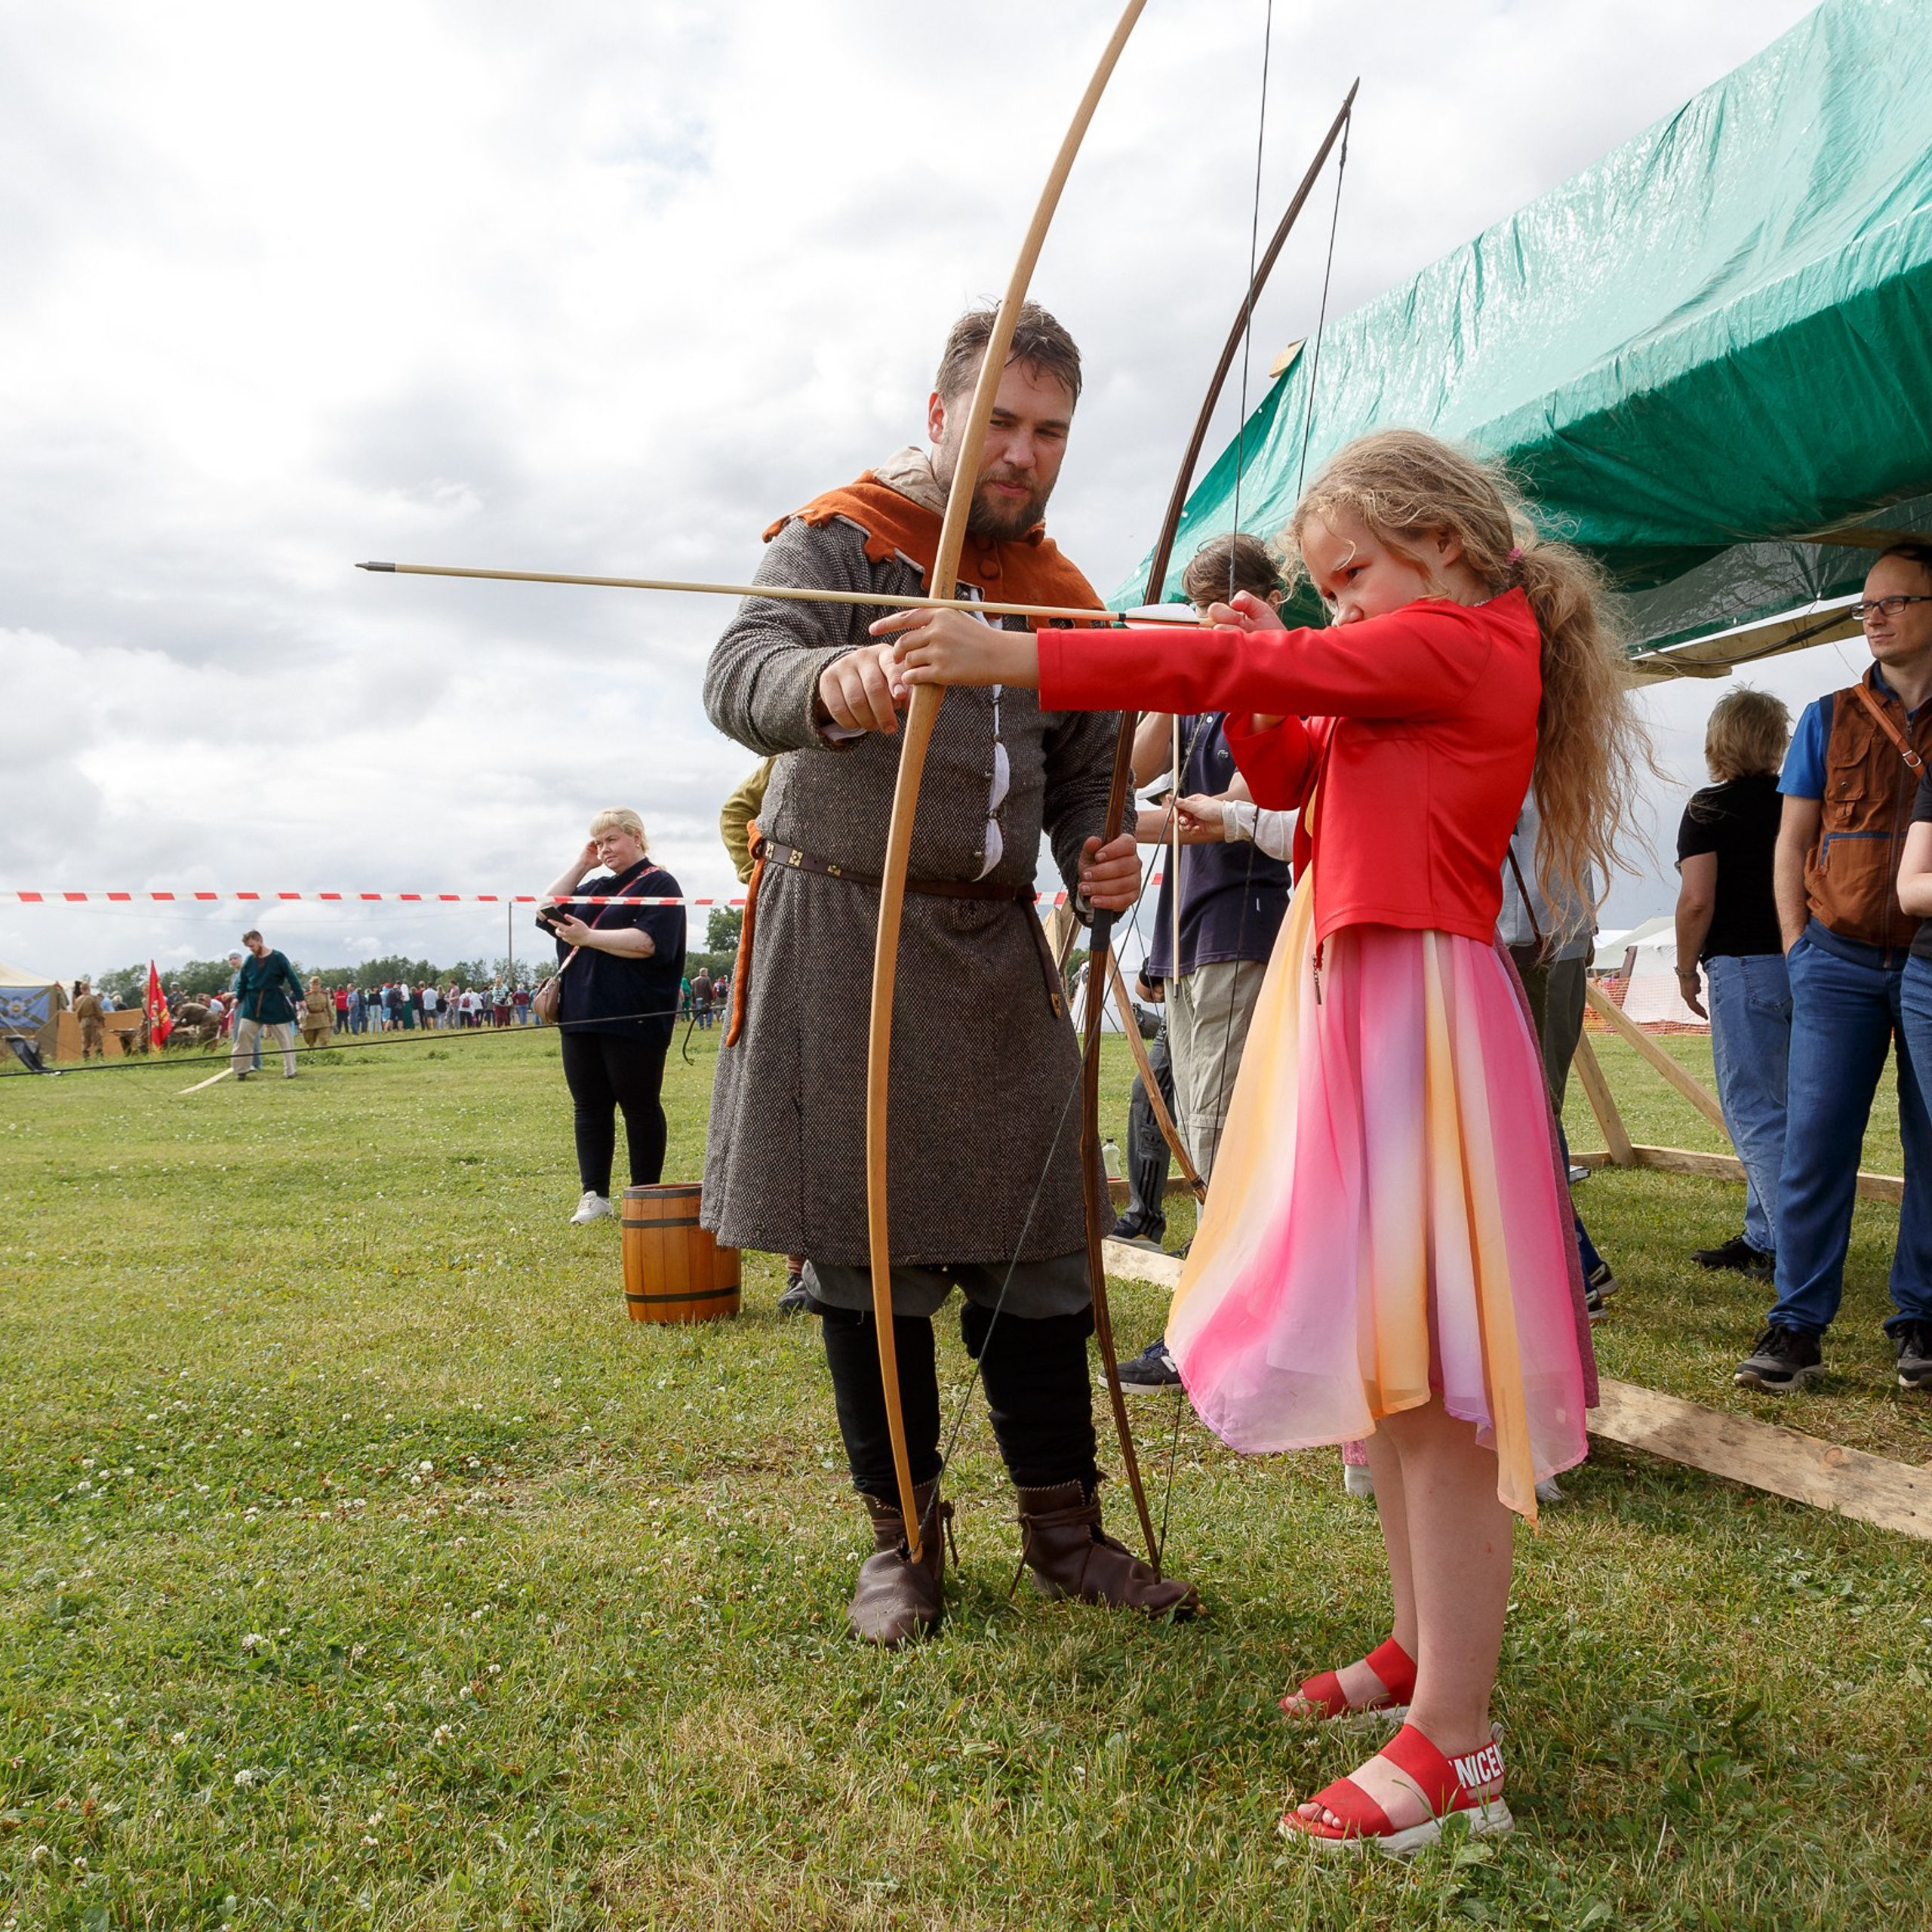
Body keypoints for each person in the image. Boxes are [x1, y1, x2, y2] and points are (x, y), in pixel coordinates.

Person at [881, 426, 1641, 1852]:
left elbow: (1250, 682)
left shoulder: (1464, 640)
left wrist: (1020, 658)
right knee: (1399, 1371)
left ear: (1447, 542)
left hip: (1419, 1006)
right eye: (1324, 584)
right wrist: (1276, 641)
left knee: (1441, 1386)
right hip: (1370, 1001)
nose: (1333, 601)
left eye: (1347, 573)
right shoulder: (1408, 646)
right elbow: (1289, 765)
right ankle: (1422, 1656)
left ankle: (1458, 1746)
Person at [703, 300, 1196, 1647]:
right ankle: (902, 1544)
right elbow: (739, 670)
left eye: (1049, 433)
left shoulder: (1060, 592)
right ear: (941, 417)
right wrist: (837, 678)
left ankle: (1064, 1532)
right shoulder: (843, 536)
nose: (1024, 455)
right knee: (869, 1254)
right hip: (844, 937)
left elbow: (1086, 757)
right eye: (1001, 424)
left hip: (989, 943)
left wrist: (1102, 858)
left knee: (1045, 1247)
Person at [1737, 546, 1932, 1393]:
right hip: (1836, 961)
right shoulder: (1828, 715)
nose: (1875, 617)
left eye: (1894, 601)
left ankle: (1918, 1318)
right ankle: (1795, 1326)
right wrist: (1796, 948)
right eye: (1865, 606)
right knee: (1814, 1145)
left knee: (1930, 1145)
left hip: (1928, 960)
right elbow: (1789, 843)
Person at [1117, 533, 1297, 1394]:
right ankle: (1234, 1324)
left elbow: (1252, 805)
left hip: (1242, 926)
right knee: (1200, 1124)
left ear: (1267, 598)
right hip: (1189, 935)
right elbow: (1137, 768)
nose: (1208, 620)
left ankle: (1223, 1337)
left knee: (1227, 1133)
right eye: (1196, 607)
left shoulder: (1280, 678)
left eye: (1223, 604)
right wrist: (1178, 672)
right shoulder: (1201, 687)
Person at [1674, 688, 1793, 1282]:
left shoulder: (1709, 808)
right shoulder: (1799, 802)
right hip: (1807, 962)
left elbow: (1698, 900)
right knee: (1788, 1110)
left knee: (1754, 1112)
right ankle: (1765, 1234)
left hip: (1743, 966)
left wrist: (1683, 968)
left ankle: (1793, 1253)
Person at [541, 809, 687, 1225]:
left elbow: (647, 943)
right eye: (599, 843)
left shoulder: (660, 882)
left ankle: (644, 1192)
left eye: (612, 840)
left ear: (636, 838)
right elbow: (546, 909)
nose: (605, 850)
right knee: (589, 1105)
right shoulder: (596, 885)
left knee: (638, 1104)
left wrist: (589, 937)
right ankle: (594, 1195)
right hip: (581, 1013)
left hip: (635, 1014)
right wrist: (582, 863)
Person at [229, 931, 304, 1081]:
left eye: (252, 946)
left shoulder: (278, 957)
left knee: (285, 1039)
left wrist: (301, 999)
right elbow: (243, 983)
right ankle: (241, 1070)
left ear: (260, 941)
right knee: (243, 1034)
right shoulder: (250, 961)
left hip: (274, 1001)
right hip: (253, 1003)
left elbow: (292, 978)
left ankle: (290, 1071)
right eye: (249, 947)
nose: (251, 949)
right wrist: (238, 998)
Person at [72, 980, 106, 1060]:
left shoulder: (78, 1000)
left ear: (81, 990)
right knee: (97, 1039)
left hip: (83, 1021)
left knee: (85, 1039)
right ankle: (99, 1058)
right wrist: (102, 1021)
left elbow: (75, 1010)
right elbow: (98, 1011)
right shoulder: (93, 999)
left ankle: (86, 1057)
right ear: (89, 988)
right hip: (93, 1020)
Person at [300, 975, 334, 1052]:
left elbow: (329, 1008)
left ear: (320, 985)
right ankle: (311, 1054)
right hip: (310, 1020)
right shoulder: (305, 996)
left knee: (324, 1040)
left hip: (323, 1019)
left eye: (317, 985)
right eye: (313, 985)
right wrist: (302, 1021)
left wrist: (331, 1019)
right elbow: (302, 1010)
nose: (315, 987)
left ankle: (324, 1054)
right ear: (310, 985)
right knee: (310, 1040)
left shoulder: (325, 995)